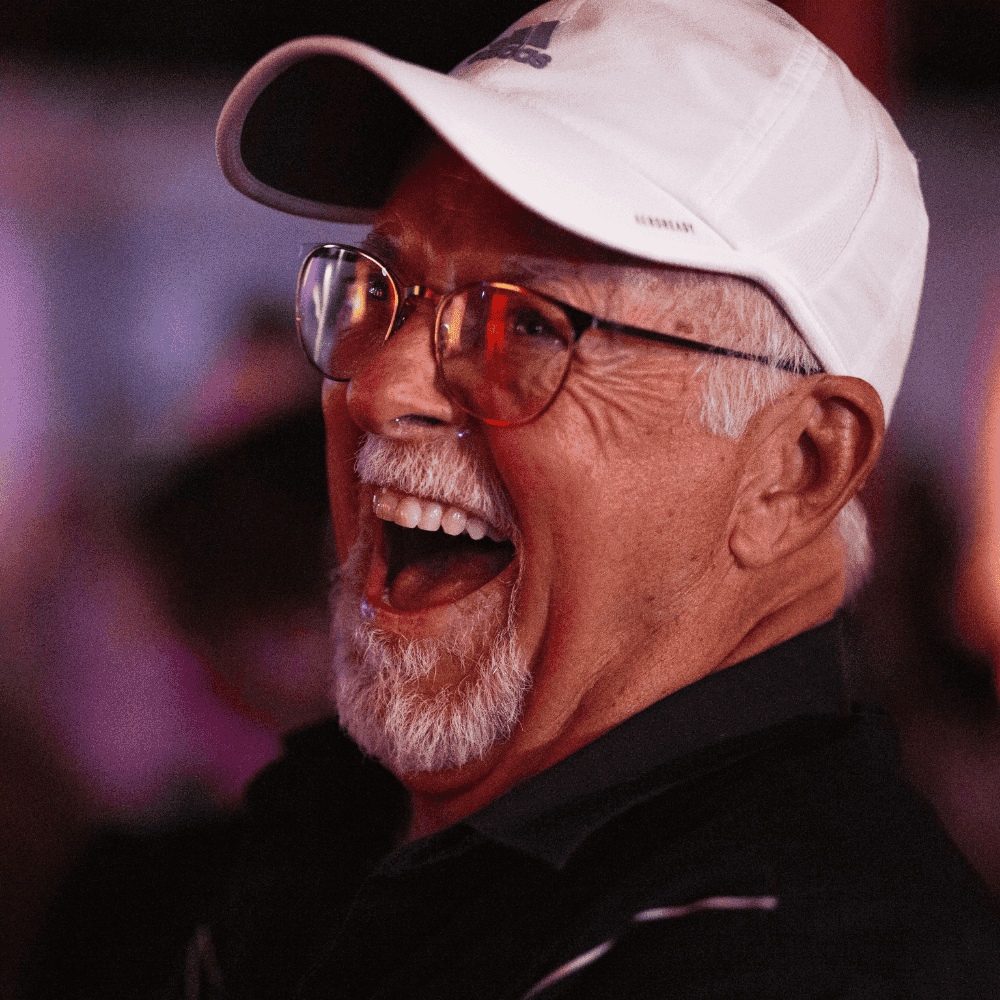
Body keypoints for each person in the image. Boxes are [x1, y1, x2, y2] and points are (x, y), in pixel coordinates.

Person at [182, 1, 1000, 997]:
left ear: (795, 468)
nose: (380, 388)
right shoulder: (331, 830)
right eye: (381, 290)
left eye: (524, 326)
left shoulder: (808, 957)